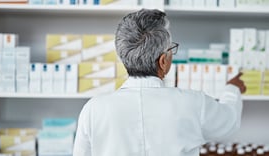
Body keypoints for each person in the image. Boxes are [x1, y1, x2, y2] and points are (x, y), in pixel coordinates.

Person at [73, 9, 246, 156]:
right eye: (171, 49)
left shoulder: (93, 109)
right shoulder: (193, 103)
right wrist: (232, 89)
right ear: (163, 61)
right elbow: (229, 123)